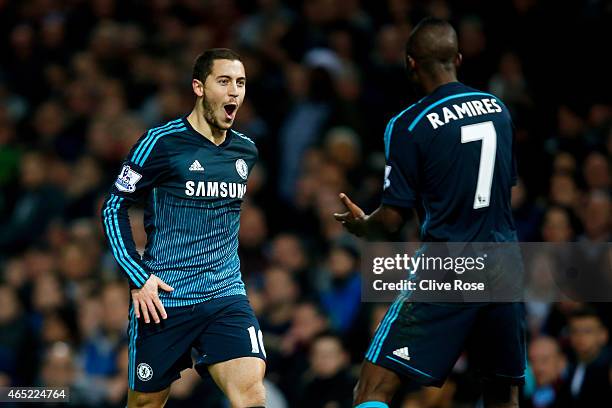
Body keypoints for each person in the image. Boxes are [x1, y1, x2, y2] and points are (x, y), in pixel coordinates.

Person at [334, 18, 524, 407]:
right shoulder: (499, 110)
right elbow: (507, 191)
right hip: (504, 266)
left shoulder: (408, 125)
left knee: (372, 388)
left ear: (410, 64)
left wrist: (361, 226)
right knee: (502, 393)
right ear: (457, 58)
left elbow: (390, 222)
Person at [101, 48, 266, 408]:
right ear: (199, 87)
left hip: (225, 294)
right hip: (164, 300)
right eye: (224, 81)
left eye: (240, 83)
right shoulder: (159, 143)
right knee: (145, 404)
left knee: (251, 397)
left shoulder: (246, 151)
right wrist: (137, 275)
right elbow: (114, 206)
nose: (234, 91)